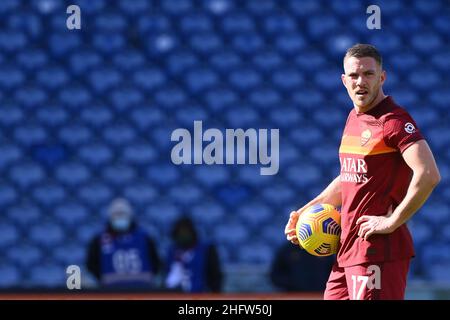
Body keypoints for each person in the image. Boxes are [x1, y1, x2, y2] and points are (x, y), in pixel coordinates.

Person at [284, 44, 441, 300]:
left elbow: (428, 174)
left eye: (368, 74)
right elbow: (349, 177)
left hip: (376, 251)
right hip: (347, 250)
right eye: (354, 76)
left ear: (382, 77)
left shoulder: (394, 121)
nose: (361, 82)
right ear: (344, 81)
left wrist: (392, 220)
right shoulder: (353, 118)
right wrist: (304, 212)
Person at [86, 198, 162, 289]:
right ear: (110, 216)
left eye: (123, 214)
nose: (120, 217)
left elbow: (156, 263)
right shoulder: (99, 240)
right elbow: (92, 265)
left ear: (130, 215)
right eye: (117, 214)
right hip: (110, 292)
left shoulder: (146, 238)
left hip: (142, 290)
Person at [165, 216, 223, 293]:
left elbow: (215, 276)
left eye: (186, 231)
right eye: (181, 232)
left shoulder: (206, 249)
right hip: (174, 295)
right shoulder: (172, 251)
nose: (184, 235)